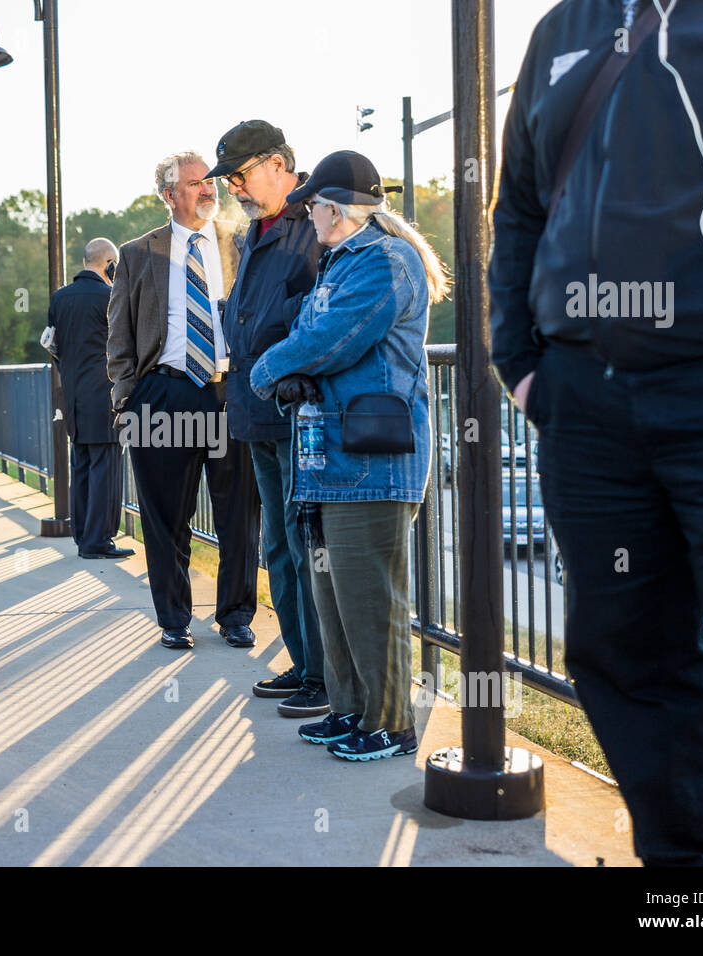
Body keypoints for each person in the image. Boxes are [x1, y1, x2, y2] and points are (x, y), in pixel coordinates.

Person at [490, 0, 703, 865]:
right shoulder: (563, 28)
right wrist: (518, 359)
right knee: (624, 658)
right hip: (586, 405)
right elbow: (518, 207)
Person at [252, 150, 447, 761]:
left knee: (370, 598)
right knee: (333, 596)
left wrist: (266, 371)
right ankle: (351, 710)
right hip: (330, 457)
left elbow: (325, 340)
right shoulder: (343, 260)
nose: (308, 216)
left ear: (334, 209)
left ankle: (389, 723)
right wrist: (294, 375)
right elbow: (314, 346)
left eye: (312, 207)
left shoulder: (385, 261)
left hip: (373, 461)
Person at [107, 151, 260, 651]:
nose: (208, 189)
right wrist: (127, 397)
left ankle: (235, 615)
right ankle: (174, 617)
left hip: (229, 389)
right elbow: (119, 334)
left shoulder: (240, 243)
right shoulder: (137, 253)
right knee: (165, 514)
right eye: (196, 183)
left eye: (210, 181)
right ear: (170, 195)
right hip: (163, 393)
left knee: (239, 509)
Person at [209, 121, 325, 717]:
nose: (234, 187)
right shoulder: (254, 232)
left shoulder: (317, 222)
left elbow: (315, 312)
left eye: (241, 174)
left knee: (307, 545)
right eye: (228, 179)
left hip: (297, 412)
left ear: (279, 165)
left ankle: (323, 675)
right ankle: (303, 665)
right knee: (277, 546)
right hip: (255, 410)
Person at [50, 237, 134, 559]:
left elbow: (55, 347)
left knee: (81, 467)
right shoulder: (110, 296)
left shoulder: (59, 299)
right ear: (110, 264)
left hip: (73, 398)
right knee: (105, 469)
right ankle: (99, 541)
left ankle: (83, 535)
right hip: (106, 398)